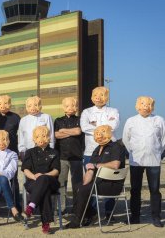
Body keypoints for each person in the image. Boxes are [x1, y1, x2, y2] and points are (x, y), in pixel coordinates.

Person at [65, 125, 126, 229]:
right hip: (98, 183)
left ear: (108, 134)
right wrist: (84, 182)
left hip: (112, 185)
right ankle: (89, 214)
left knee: (84, 189)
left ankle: (77, 220)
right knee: (78, 187)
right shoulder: (96, 149)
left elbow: (115, 165)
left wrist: (97, 165)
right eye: (97, 134)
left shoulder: (116, 147)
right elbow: (91, 170)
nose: (99, 136)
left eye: (102, 133)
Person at [122, 96, 165, 227]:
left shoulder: (159, 120)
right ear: (137, 106)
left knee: (154, 189)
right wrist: (132, 153)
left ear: (152, 107)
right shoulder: (131, 121)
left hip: (154, 160)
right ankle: (135, 217)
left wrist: (158, 152)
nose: (145, 106)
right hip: (136, 160)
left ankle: (156, 217)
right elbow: (125, 139)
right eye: (142, 104)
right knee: (135, 189)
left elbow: (164, 139)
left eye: (149, 104)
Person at [80, 86, 120, 219]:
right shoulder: (86, 112)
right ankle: (91, 211)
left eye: (102, 95)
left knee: (110, 180)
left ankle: (109, 212)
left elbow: (113, 126)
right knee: (89, 181)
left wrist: (97, 128)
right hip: (91, 151)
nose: (98, 97)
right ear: (92, 97)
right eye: (95, 95)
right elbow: (84, 127)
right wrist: (103, 129)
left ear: (107, 98)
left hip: (110, 151)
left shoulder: (113, 111)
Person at [22, 126, 60, 234]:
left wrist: (44, 175)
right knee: (45, 190)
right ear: (34, 139)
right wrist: (35, 177)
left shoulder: (55, 152)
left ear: (48, 137)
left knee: (44, 180)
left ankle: (31, 206)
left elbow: (56, 171)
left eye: (44, 136)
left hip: (51, 181)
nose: (41, 138)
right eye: (37, 136)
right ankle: (46, 223)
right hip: (33, 182)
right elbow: (25, 170)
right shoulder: (29, 152)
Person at [0, 95, 22, 212]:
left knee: (13, 178)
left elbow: (21, 134)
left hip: (12, 151)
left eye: (5, 103)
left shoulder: (16, 117)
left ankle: (16, 204)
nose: (2, 106)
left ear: (10, 104)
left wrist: (20, 150)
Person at [54, 97, 83, 213]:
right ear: (63, 107)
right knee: (61, 183)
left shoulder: (80, 119)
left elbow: (78, 131)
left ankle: (77, 208)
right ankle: (61, 208)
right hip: (62, 156)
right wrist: (71, 132)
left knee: (77, 184)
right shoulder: (58, 120)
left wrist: (63, 131)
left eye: (73, 105)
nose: (70, 108)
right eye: (67, 106)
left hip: (77, 157)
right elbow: (56, 135)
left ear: (76, 107)